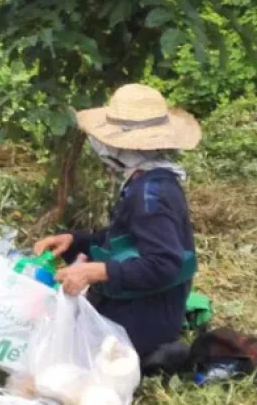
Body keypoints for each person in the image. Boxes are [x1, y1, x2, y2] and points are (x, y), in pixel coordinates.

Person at [34, 84, 200, 360]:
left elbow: (164, 264)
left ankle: (152, 352)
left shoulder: (152, 197)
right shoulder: (143, 181)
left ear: (123, 146)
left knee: (57, 346)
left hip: (146, 316)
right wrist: (76, 242)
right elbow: (124, 241)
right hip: (141, 302)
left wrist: (95, 272)